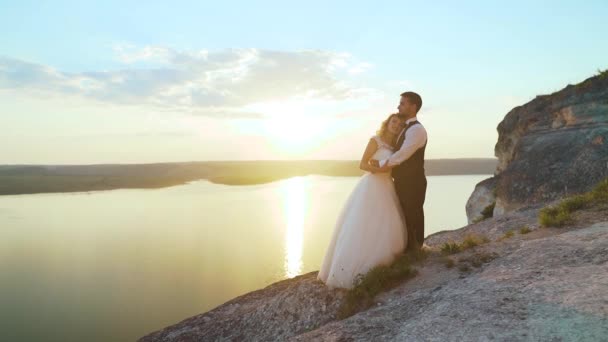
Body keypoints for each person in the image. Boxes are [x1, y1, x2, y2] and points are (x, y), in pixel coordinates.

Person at [317, 113, 408, 289]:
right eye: (393, 121)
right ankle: (349, 272)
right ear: (387, 123)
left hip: (387, 186)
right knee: (362, 225)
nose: (396, 125)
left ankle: (381, 264)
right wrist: (378, 168)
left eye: (399, 124)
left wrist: (386, 168)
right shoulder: (376, 140)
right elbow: (362, 164)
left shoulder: (396, 146)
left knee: (386, 224)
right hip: (372, 185)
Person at [370, 91, 428, 252]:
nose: (399, 106)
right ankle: (409, 251)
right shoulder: (405, 128)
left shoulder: (416, 130)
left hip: (413, 182)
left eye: (403, 103)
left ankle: (416, 252)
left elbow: (402, 155)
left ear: (413, 106)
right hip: (403, 181)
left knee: (412, 215)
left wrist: (380, 164)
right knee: (404, 217)